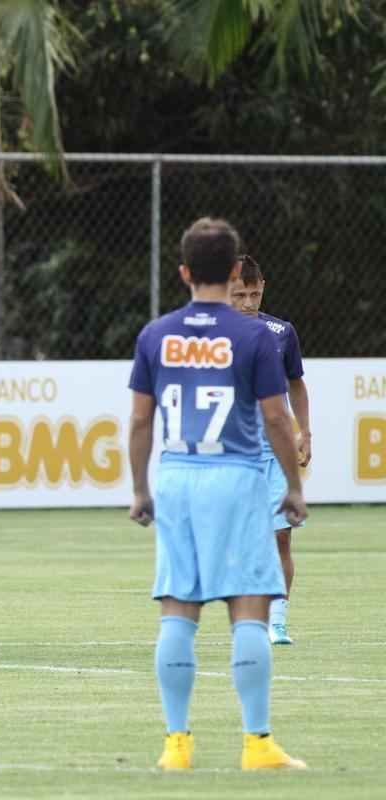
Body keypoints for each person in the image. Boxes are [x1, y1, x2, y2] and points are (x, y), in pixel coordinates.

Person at [128, 217, 308, 771]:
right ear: (233, 272)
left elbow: (139, 421)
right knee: (249, 608)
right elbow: (277, 417)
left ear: (183, 272)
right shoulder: (255, 335)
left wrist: (140, 488)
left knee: (178, 612)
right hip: (236, 477)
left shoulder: (156, 334)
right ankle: (257, 744)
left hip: (179, 477)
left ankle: (175, 745)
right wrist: (295, 485)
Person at [229, 254, 312, 645]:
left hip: (275, 448)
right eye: (241, 294)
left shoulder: (281, 332)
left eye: (255, 293)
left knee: (281, 536)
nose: (248, 303)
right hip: (233, 450)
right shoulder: (209, 334)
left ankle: (277, 620)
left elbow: (296, 383)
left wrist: (305, 433)